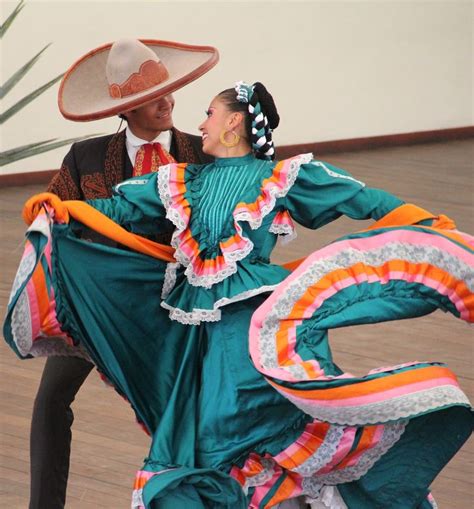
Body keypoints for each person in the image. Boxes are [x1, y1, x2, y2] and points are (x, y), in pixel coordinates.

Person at [6, 81, 472, 508]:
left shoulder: (280, 178)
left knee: (234, 427)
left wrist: (428, 223)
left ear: (234, 122)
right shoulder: (184, 179)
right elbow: (119, 205)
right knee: (205, 435)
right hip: (196, 336)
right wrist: (62, 209)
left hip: (253, 323)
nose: (201, 122)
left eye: (210, 113)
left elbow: (361, 200)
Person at [27, 37, 218, 509]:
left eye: (170, 91)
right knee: (51, 401)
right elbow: (54, 224)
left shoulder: (203, 155)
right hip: (99, 307)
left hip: (179, 311)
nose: (168, 101)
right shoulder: (84, 158)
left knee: (193, 413)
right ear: (127, 107)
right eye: (155, 96)